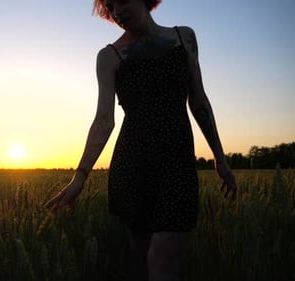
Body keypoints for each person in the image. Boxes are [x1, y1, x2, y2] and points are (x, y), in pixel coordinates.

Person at [45, 0, 238, 280]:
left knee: (164, 254)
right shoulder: (110, 56)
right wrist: (80, 177)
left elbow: (199, 102)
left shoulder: (185, 38)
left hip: (177, 163)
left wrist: (220, 158)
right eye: (110, 7)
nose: (117, 11)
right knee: (140, 261)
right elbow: (103, 120)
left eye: (121, 1)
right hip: (133, 164)